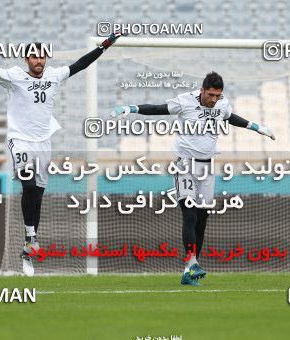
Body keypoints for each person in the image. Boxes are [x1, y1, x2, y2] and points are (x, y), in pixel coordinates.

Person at [0, 33, 122, 276]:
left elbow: (81, 63)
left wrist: (105, 45)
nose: (38, 60)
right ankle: (31, 237)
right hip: (20, 141)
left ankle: (30, 245)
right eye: (33, 56)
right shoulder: (14, 77)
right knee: (29, 185)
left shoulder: (54, 75)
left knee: (37, 194)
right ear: (26, 59)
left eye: (41, 56)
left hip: (43, 144)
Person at [111, 71, 275, 285]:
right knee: (189, 212)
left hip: (207, 167)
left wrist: (257, 127)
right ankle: (192, 263)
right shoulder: (185, 101)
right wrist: (130, 108)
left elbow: (230, 117)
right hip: (185, 164)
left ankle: (189, 269)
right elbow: (159, 109)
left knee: (202, 218)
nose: (214, 100)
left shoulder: (222, 104)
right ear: (202, 91)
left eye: (218, 96)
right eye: (210, 95)